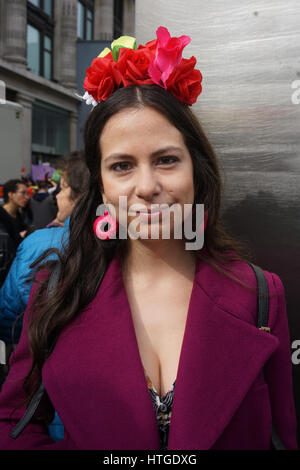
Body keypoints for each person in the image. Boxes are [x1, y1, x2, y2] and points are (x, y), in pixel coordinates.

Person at [0, 27, 297, 450]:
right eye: (122, 165)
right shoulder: (56, 292)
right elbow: (13, 421)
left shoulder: (261, 294)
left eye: (166, 160)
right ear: (100, 185)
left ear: (196, 169)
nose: (146, 185)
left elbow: (283, 432)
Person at [0, 151, 89, 441]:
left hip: (47, 396)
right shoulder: (132, 244)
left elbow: (8, 314)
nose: (58, 197)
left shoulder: (40, 242)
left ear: (79, 195)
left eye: (62, 189)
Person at [0, 180, 29, 288]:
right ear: (11, 195)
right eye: (23, 193)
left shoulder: (19, 216)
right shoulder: (2, 217)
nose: (27, 197)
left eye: (27, 193)